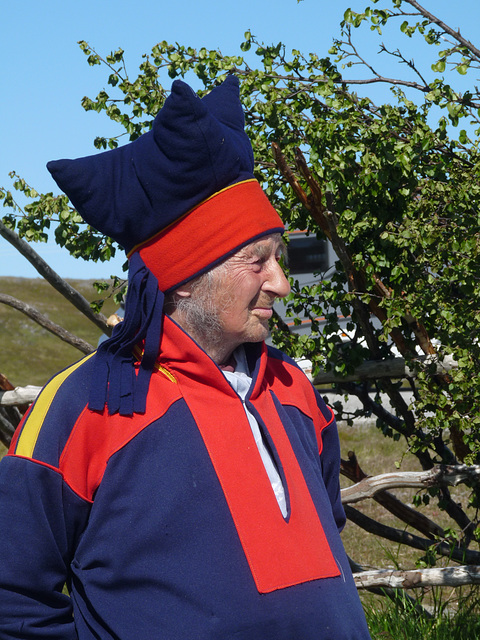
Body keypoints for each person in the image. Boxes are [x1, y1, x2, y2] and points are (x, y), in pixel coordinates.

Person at [0, 75, 371, 639]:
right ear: (183, 280)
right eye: (256, 261)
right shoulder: (85, 408)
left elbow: (327, 536)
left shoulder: (294, 389)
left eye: (279, 257)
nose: (282, 284)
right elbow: (13, 597)